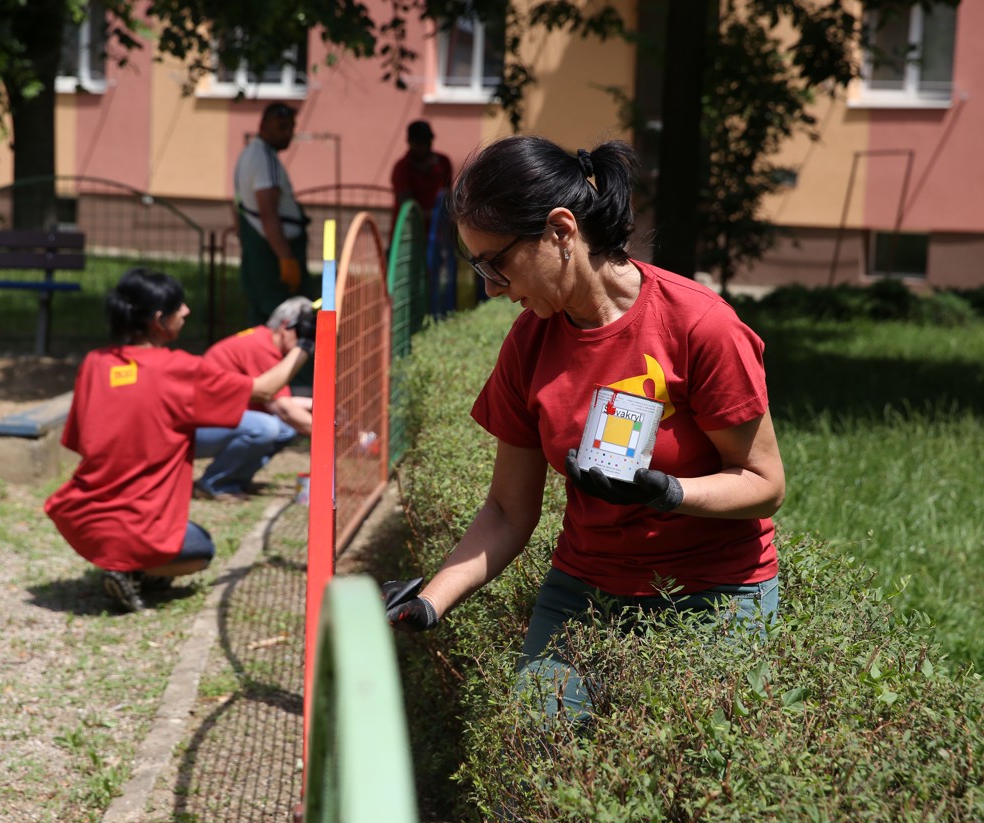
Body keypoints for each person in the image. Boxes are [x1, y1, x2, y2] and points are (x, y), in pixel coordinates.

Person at [382, 136, 786, 723]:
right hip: (584, 595)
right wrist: (429, 602)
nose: (490, 287)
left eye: (496, 262)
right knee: (529, 784)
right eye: (477, 266)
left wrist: (670, 493)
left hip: (714, 595)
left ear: (561, 230)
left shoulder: (701, 324)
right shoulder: (529, 343)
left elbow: (764, 482)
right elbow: (505, 509)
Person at [44, 267, 311, 613]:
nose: (186, 311)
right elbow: (264, 389)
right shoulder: (177, 369)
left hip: (84, 518)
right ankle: (130, 567)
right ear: (158, 319)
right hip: (142, 524)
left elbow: (81, 439)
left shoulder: (95, 363)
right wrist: (303, 348)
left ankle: (121, 560)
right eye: (178, 306)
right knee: (202, 548)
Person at [193, 296, 316, 501]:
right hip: (197, 430)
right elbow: (284, 409)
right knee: (267, 427)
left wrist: (322, 407)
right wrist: (332, 436)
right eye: (303, 334)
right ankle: (215, 483)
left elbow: (278, 400)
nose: (306, 343)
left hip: (214, 422)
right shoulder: (261, 348)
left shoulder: (263, 340)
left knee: (284, 429)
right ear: (285, 326)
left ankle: (236, 479)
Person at [233, 102, 312, 326]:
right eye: (281, 127)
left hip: (259, 247)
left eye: (290, 127)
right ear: (263, 126)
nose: (287, 134)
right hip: (273, 252)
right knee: (286, 317)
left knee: (261, 313)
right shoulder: (263, 158)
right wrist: (286, 258)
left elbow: (236, 205)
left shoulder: (248, 155)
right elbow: (268, 213)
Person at [390, 119, 454, 228]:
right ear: (410, 141)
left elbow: (447, 194)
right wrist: (437, 215)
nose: (424, 147)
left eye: (427, 142)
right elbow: (408, 208)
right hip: (409, 232)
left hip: (437, 234)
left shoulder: (443, 162)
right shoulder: (402, 168)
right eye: (420, 143)